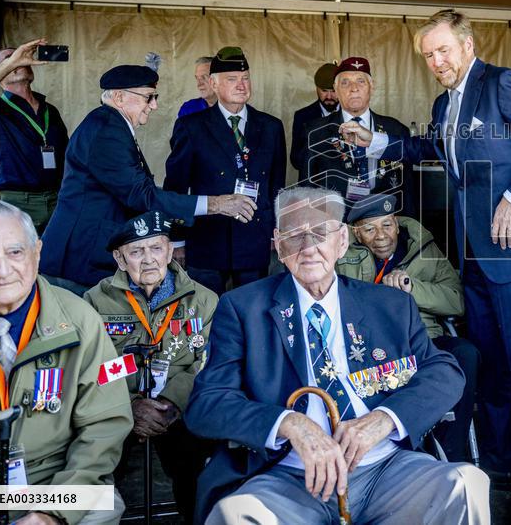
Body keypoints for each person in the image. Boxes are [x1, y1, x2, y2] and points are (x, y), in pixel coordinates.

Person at [340, 10, 511, 522]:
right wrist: (379, 143)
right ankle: (496, 465)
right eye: (428, 55)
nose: (436, 61)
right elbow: (437, 148)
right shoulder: (446, 101)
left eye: (443, 50)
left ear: (468, 44)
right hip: (475, 253)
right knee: (487, 367)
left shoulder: (502, 84)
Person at [185, 187, 489, 524]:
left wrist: (385, 418)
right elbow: (207, 404)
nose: (308, 247)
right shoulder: (243, 308)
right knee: (236, 515)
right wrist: (289, 424)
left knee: (466, 483)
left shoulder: (389, 305)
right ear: (278, 243)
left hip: (386, 471)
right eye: (294, 234)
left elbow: (444, 371)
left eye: (320, 232)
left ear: (342, 241)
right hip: (289, 478)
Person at [0, 199, 133, 524]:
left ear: (37, 253)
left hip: (55, 481)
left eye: (15, 252)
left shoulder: (80, 321)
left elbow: (105, 425)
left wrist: (52, 512)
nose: (2, 270)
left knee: (102, 508)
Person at [40, 64, 256, 295]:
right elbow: (141, 195)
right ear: (120, 97)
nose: (154, 105)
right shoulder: (107, 131)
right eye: (148, 97)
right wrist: (216, 204)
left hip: (87, 254)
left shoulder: (111, 125)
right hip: (78, 258)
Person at [84, 210, 218, 522]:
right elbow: (89, 365)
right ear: (119, 258)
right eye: (136, 252)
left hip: (179, 409)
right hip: (117, 407)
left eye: (156, 248)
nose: (148, 260)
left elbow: (206, 363)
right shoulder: (95, 301)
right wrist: (130, 405)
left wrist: (170, 404)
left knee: (196, 472)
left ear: (170, 251)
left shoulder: (204, 299)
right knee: (94, 465)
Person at [336, 192, 479, 463]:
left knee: (465, 353)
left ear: (397, 223)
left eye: (387, 225)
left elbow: (457, 301)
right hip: (371, 346)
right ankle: (395, 450)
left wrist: (412, 288)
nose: (381, 236)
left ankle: (452, 451)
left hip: (424, 339)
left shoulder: (423, 248)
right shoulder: (341, 255)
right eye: (369, 228)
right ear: (356, 232)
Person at [164, 46, 287, 295]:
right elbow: (175, 187)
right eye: (232, 79)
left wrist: (277, 231)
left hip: (255, 238)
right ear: (214, 83)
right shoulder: (192, 127)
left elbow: (277, 185)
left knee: (252, 312)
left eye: (245, 78)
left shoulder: (271, 126)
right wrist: (176, 239)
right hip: (208, 238)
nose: (241, 85)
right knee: (205, 315)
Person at [0, 38, 69, 232]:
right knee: (22, 258)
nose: (20, 60)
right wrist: (12, 62)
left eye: (21, 57)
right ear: (0, 76)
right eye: (9, 59)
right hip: (18, 201)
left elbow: (67, 154)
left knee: (55, 259)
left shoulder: (49, 110)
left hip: (56, 198)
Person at [304, 57, 412, 213]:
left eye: (361, 81)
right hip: (335, 225)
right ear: (336, 89)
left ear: (371, 86)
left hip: (383, 225)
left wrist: (410, 226)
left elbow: (407, 191)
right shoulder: (315, 132)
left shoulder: (396, 130)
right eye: (345, 82)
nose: (353, 88)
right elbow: (307, 189)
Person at [290, 62, 339, 173]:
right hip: (313, 185)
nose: (329, 96)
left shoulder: (353, 115)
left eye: (333, 91)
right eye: (324, 91)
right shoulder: (302, 117)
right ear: (316, 88)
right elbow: (296, 160)